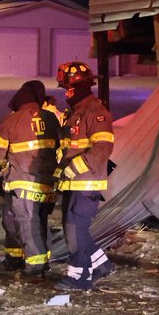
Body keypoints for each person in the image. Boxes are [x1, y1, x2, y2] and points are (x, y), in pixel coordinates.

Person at [0, 79, 63, 279]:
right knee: (39, 223)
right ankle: (42, 260)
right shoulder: (50, 118)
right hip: (47, 184)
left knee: (25, 224)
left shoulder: (12, 120)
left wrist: (2, 167)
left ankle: (35, 265)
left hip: (22, 183)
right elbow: (62, 145)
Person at [54, 61, 115, 291]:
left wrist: (75, 167)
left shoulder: (95, 113)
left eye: (67, 88)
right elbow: (70, 148)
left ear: (77, 87)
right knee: (73, 226)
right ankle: (101, 265)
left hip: (86, 182)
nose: (66, 93)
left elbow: (101, 150)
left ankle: (79, 277)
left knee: (74, 229)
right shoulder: (75, 113)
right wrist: (60, 171)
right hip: (73, 181)